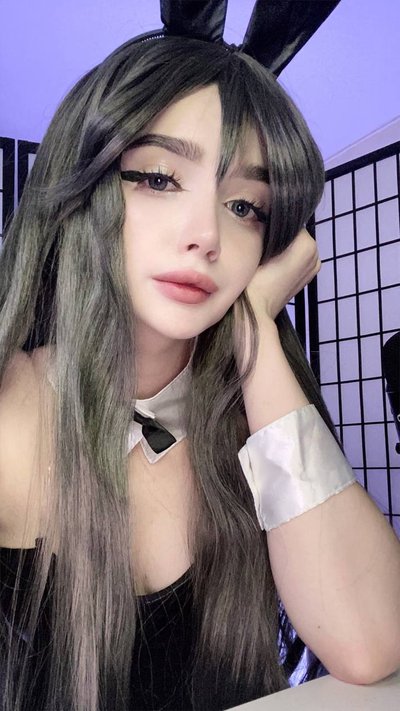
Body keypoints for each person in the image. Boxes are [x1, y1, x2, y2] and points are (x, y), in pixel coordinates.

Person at [1, 4, 400, 711]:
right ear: (84, 181)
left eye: (246, 206)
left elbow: (371, 644)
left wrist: (254, 330)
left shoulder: (257, 417)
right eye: (159, 178)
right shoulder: (12, 409)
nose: (206, 235)